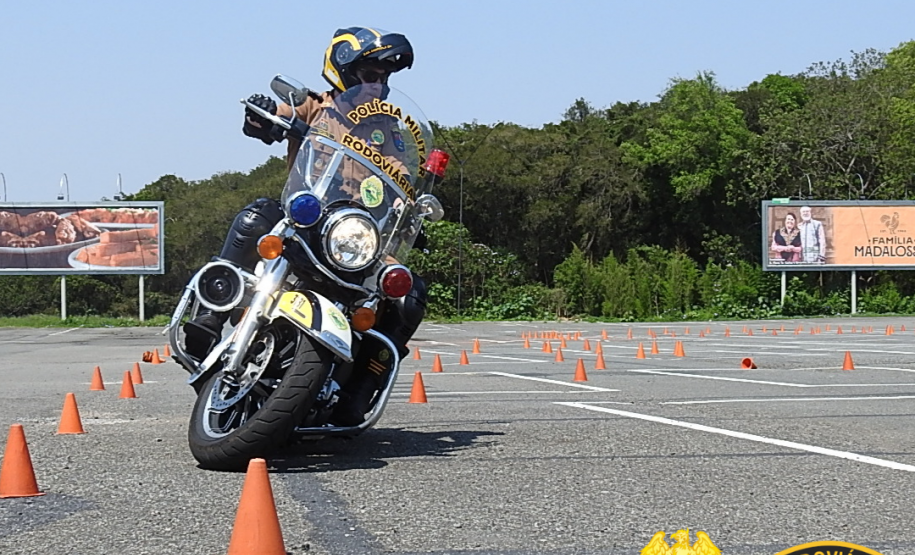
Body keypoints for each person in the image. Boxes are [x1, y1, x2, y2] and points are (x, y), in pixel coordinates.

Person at [183, 27, 427, 425]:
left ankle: (359, 391)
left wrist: (411, 202)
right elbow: (274, 120)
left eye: (384, 76)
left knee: (409, 293)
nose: (378, 83)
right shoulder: (316, 107)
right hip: (306, 219)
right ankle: (210, 315)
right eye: (370, 73)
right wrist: (261, 117)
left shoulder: (390, 130)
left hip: (356, 237)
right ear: (344, 70)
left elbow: (403, 175)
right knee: (256, 216)